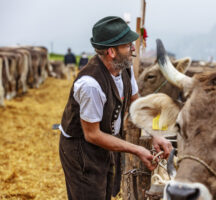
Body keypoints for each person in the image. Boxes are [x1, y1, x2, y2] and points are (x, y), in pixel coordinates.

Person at [58, 16, 172, 200]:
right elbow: (92, 135)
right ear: (112, 51)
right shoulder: (90, 84)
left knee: (106, 191)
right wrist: (137, 149)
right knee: (90, 194)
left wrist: (154, 134)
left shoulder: (124, 68)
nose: (133, 48)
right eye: (128, 45)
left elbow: (136, 103)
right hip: (81, 149)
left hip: (105, 141)